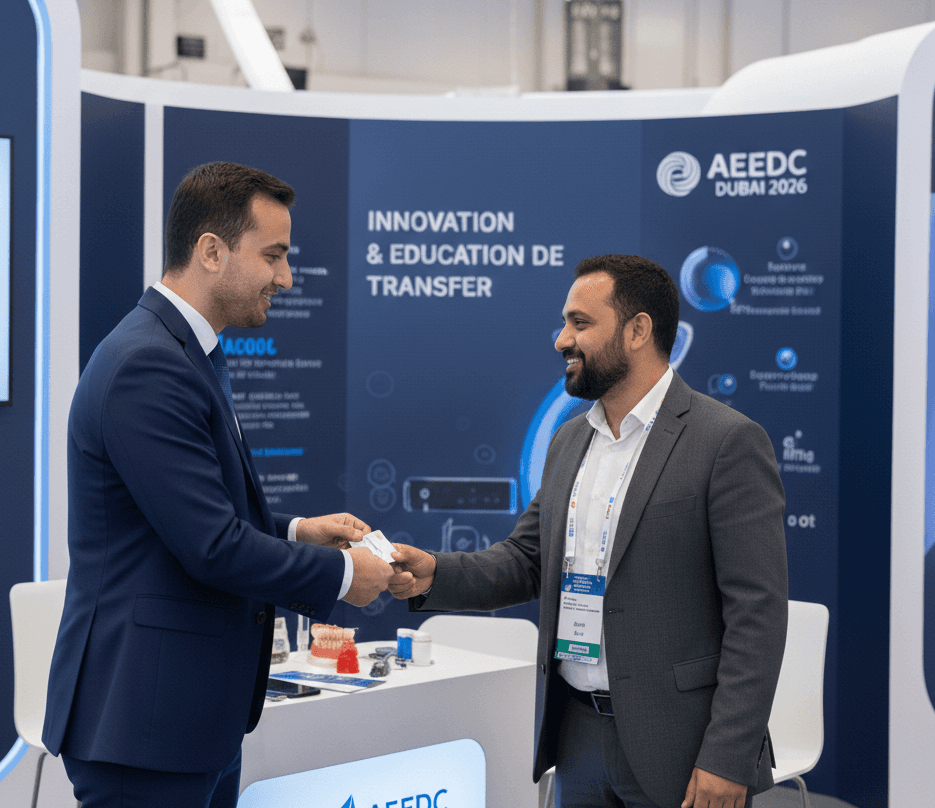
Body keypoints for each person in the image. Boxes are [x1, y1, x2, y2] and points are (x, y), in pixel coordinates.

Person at [42, 162, 393, 807]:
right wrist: (342, 576)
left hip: (183, 719)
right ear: (211, 250)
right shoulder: (149, 363)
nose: (286, 278)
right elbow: (210, 546)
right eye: (274, 256)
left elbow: (193, 515)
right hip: (142, 726)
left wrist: (295, 531)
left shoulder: (182, 353)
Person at [390, 255, 788, 808]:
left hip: (681, 744)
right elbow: (526, 560)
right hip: (576, 737)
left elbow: (758, 615)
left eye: (580, 322)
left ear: (637, 330)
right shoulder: (570, 440)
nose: (561, 339)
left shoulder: (726, 442)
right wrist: (434, 573)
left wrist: (727, 756)